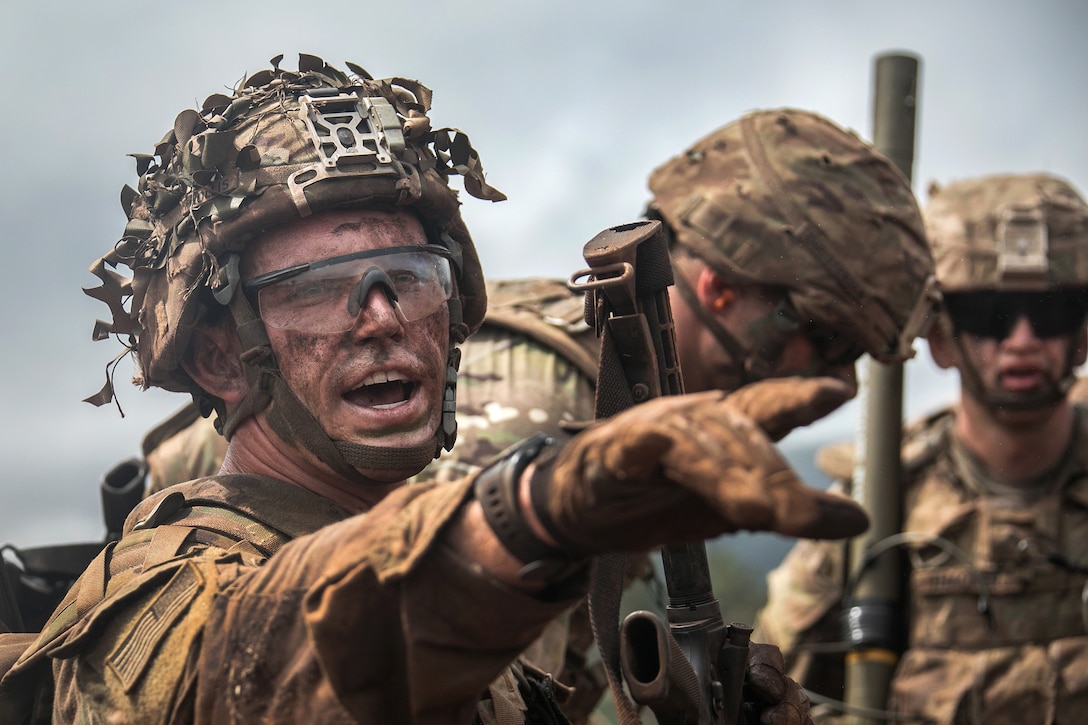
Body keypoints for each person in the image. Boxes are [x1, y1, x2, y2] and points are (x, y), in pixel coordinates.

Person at [0, 54, 869, 724]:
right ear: (223, 358)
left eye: (410, 275)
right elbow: (292, 654)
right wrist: (529, 513)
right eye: (316, 285)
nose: (380, 317)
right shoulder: (172, 592)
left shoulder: (492, 664)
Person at [755, 172, 1088, 724]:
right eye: (991, 315)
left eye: (1051, 312)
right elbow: (774, 697)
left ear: (1083, 332)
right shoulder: (877, 510)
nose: (1023, 340)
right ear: (938, 338)